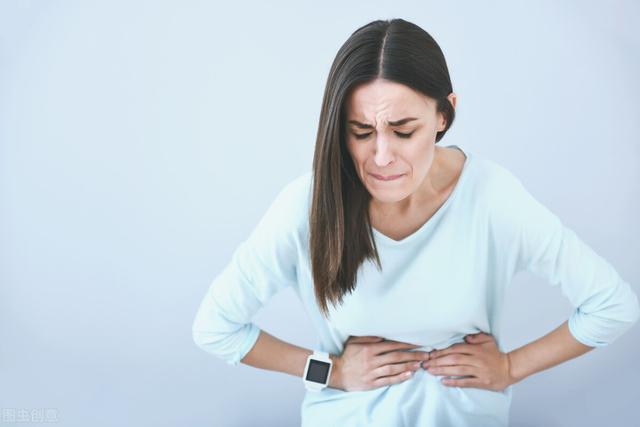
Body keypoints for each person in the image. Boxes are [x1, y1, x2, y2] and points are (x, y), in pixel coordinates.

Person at [192, 18, 640, 426]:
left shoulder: (492, 198)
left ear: (444, 115)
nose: (382, 156)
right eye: (361, 132)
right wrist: (330, 369)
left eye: (404, 131)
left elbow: (612, 305)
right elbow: (215, 327)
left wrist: (510, 367)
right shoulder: (306, 205)